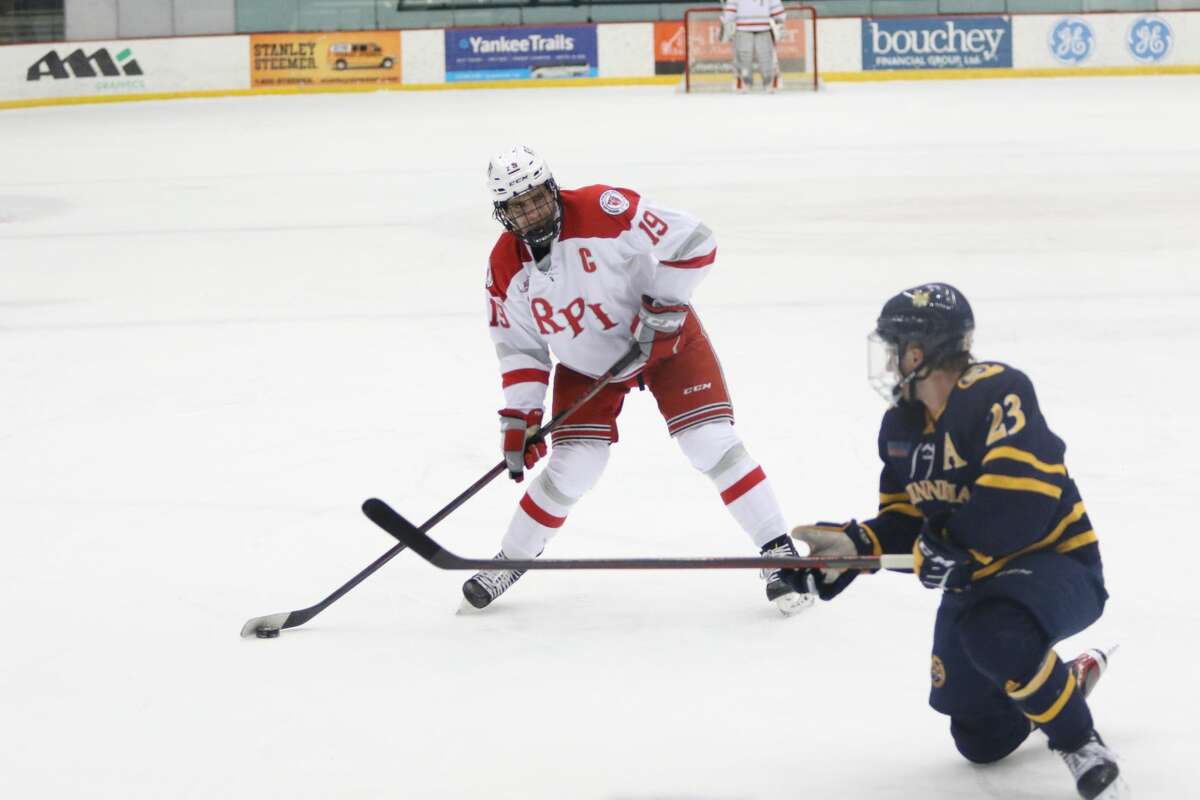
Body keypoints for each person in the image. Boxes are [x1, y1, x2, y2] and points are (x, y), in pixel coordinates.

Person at [783, 284, 1127, 799]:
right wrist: (856, 549)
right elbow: (907, 525)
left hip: (1058, 563)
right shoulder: (900, 428)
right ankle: (1062, 685)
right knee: (979, 738)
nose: (889, 360)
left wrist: (950, 545)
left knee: (995, 635)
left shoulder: (996, 390)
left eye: (893, 346)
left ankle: (1083, 745)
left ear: (917, 352)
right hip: (977, 581)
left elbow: (1022, 500)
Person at [467, 144, 809, 616]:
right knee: (574, 467)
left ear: (552, 187)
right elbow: (520, 348)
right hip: (588, 368)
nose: (532, 211)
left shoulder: (605, 209)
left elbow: (696, 240)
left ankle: (777, 550)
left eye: (537, 197)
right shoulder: (505, 267)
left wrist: (665, 307)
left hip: (666, 344)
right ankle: (509, 559)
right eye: (518, 206)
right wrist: (521, 417)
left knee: (709, 441)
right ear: (502, 213)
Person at [720, 0, 786, 92]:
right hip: (743, 28)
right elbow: (730, 12)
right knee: (744, 57)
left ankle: (767, 83)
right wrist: (727, 20)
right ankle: (746, 83)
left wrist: (779, 20)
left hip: (764, 28)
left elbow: (777, 10)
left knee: (766, 56)